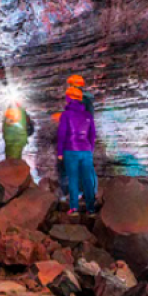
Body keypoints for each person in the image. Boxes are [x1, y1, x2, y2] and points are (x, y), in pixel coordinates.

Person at [56, 85, 97, 215]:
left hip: (71, 149)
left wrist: (60, 152)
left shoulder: (66, 114)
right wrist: (90, 148)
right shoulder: (87, 114)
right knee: (87, 178)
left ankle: (74, 208)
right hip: (85, 149)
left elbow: (62, 134)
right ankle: (91, 210)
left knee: (72, 178)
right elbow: (92, 134)